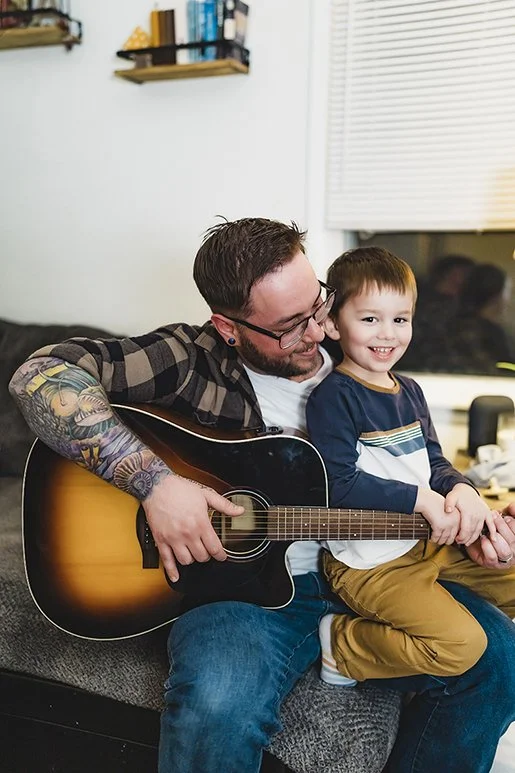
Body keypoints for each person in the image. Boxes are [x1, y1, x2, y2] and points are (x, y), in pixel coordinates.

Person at [8, 218, 515, 773]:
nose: (318, 331)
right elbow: (40, 373)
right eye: (290, 327)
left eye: (319, 304)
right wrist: (156, 485)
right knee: (215, 702)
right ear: (228, 327)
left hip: (379, 565)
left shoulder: (368, 360)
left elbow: (420, 460)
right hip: (244, 588)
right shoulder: (188, 357)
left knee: (500, 659)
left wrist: (463, 499)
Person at [305, 246, 515, 689]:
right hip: (370, 560)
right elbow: (336, 485)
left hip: (426, 540)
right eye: (369, 319)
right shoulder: (335, 397)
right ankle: (342, 646)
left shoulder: (411, 390)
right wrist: (424, 500)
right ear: (332, 322)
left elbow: (434, 462)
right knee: (462, 647)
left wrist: (461, 490)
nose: (387, 333)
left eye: (400, 319)